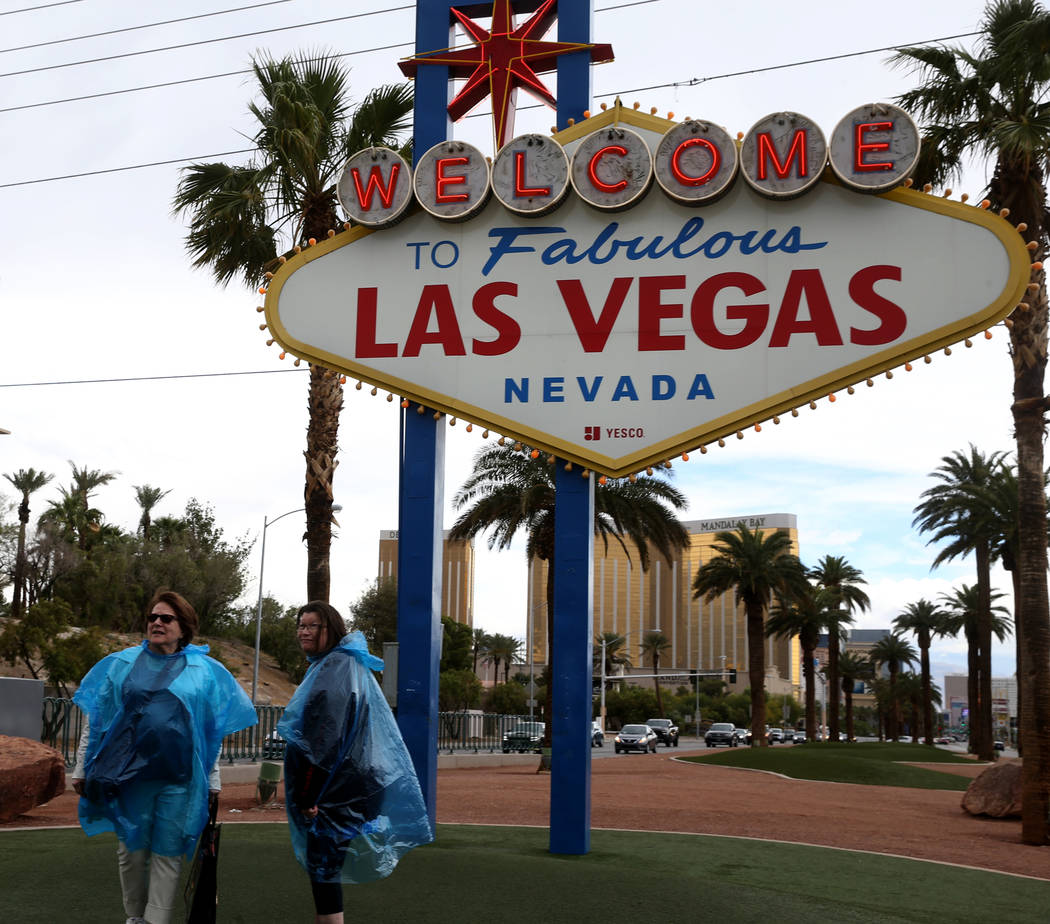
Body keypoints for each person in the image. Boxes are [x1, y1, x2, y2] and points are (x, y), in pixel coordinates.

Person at [71, 590, 257, 924]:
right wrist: (82, 766)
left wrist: (212, 780)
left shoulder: (203, 671)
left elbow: (209, 732)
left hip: (180, 777)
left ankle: (156, 921)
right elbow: (97, 717)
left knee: (167, 852)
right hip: (128, 775)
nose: (157, 622)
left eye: (166, 618)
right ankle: (134, 917)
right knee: (131, 850)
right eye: (152, 617)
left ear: (183, 627)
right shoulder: (121, 664)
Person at [278, 602, 432, 924]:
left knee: (324, 873)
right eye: (301, 625)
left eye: (312, 626)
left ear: (330, 630)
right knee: (325, 872)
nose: (303, 631)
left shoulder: (333, 670)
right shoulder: (344, 666)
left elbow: (322, 743)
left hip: (331, 795)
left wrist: (308, 797)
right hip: (345, 789)